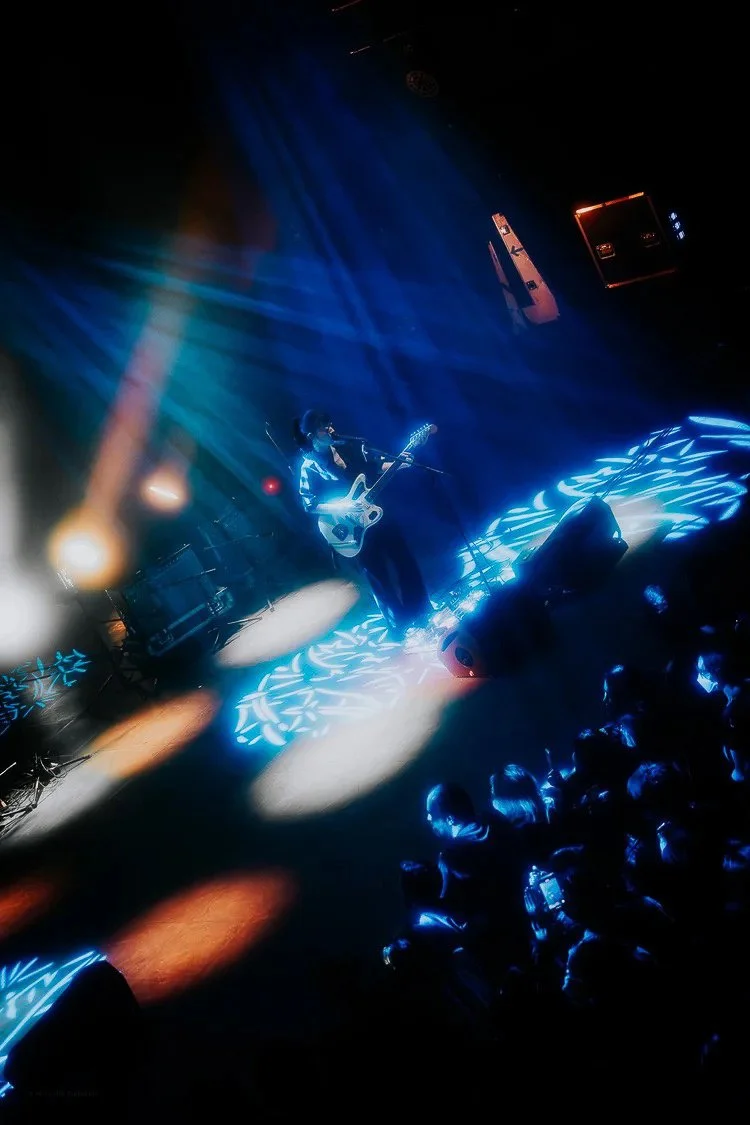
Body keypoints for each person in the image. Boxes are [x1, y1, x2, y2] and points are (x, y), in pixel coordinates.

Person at [292, 408, 431, 638]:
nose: (331, 429)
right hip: (350, 527)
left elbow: (377, 465)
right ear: (311, 436)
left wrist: (401, 462)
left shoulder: (349, 447)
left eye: (330, 423)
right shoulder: (309, 466)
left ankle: (421, 610)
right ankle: (400, 625)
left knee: (405, 560)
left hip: (377, 514)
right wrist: (341, 507)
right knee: (378, 576)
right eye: (323, 427)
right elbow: (309, 503)